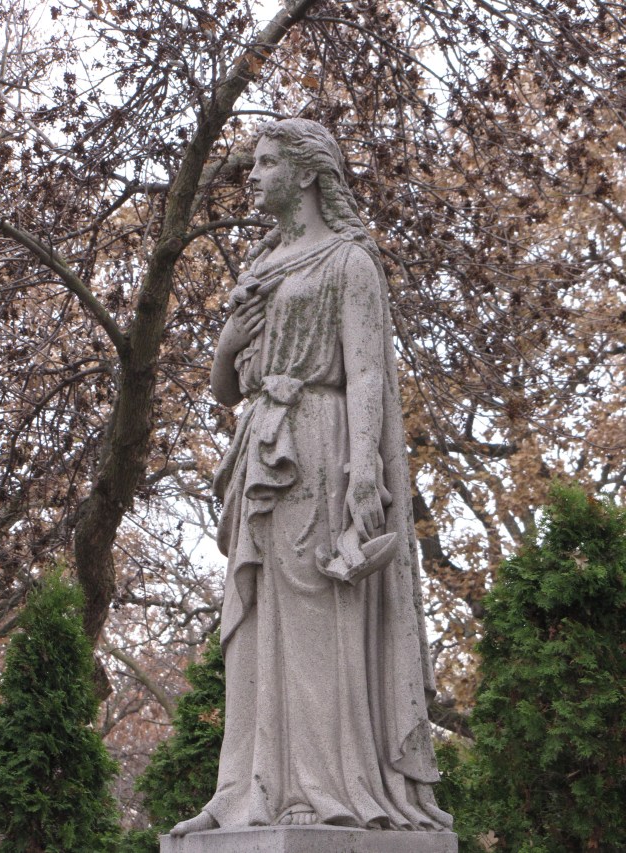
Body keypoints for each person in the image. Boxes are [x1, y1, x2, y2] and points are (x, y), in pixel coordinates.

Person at [171, 118, 453, 836]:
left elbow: (366, 374)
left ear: (305, 173)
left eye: (267, 163)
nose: (253, 176)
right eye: (255, 163)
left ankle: (323, 788)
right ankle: (248, 787)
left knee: (315, 613)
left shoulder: (348, 261)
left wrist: (364, 471)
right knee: (258, 623)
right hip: (260, 447)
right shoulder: (263, 263)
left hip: (319, 443)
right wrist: (231, 335)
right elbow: (225, 386)